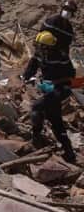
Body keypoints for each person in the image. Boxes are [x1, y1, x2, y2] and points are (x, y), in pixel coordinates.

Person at [22, 31, 77, 163]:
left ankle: (36, 137)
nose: (38, 49)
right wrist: (26, 77)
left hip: (60, 89)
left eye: (40, 46)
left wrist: (54, 82)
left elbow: (71, 75)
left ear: (48, 47)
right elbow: (32, 66)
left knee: (36, 107)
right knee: (54, 118)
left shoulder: (61, 57)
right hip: (49, 89)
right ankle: (68, 151)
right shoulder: (40, 55)